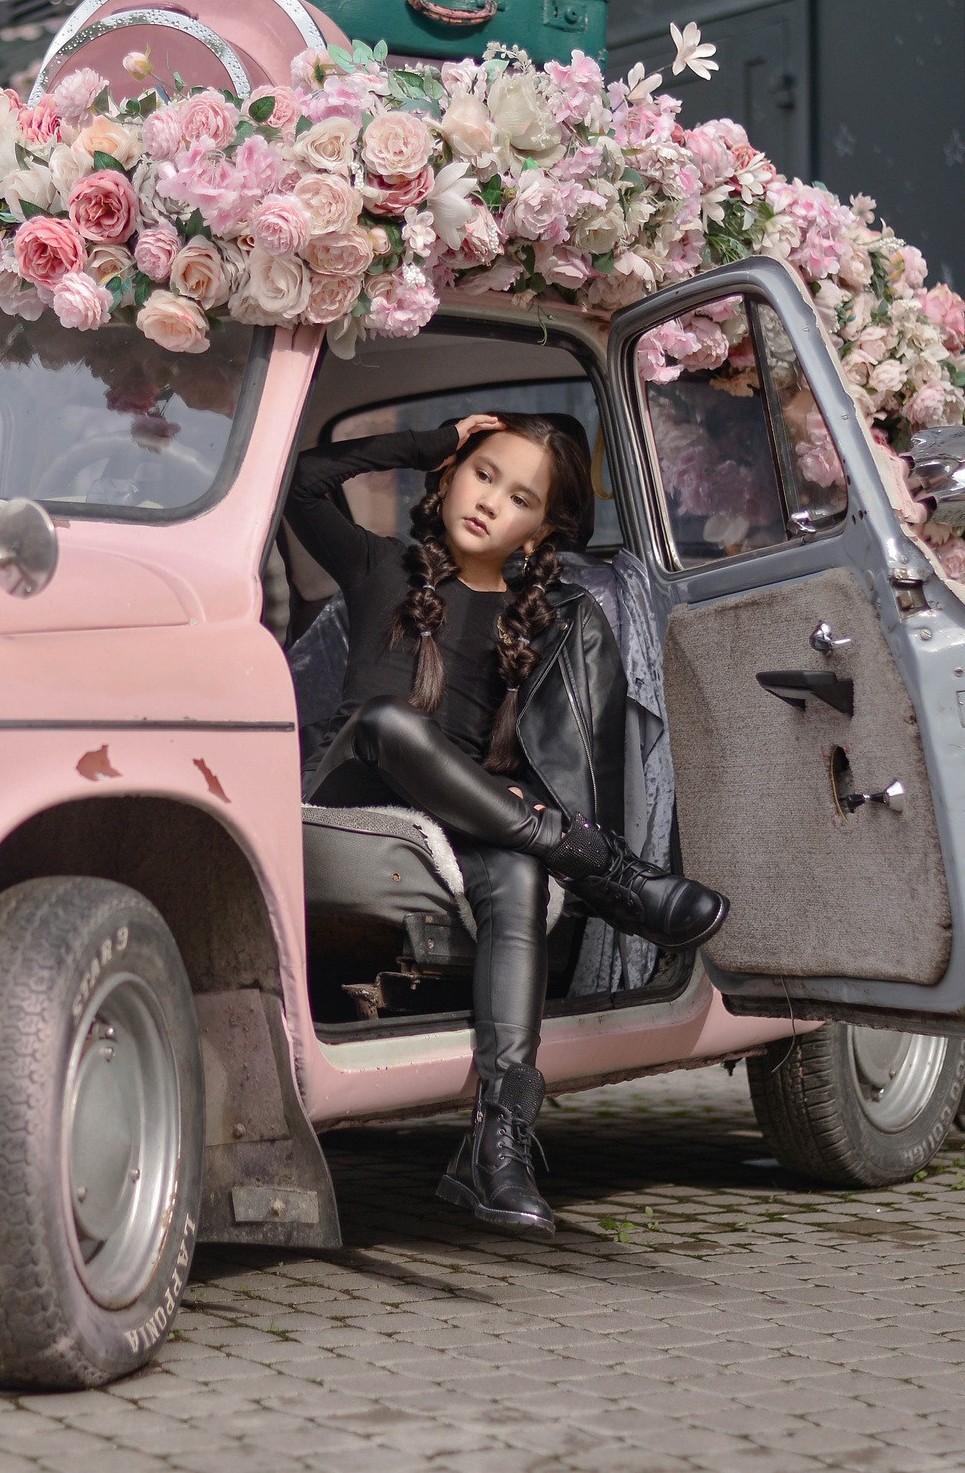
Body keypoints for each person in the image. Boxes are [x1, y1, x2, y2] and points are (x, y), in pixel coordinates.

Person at [289, 412, 728, 1235]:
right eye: (482, 474)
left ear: (543, 526)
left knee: (521, 868)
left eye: (519, 496)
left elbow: (555, 754)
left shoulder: (548, 623)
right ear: (454, 473)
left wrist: (535, 807)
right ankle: (605, 869)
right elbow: (305, 480)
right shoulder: (382, 565)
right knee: (390, 721)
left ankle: (498, 1147)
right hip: (354, 794)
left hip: (458, 817)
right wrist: (431, 438)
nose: (490, 502)